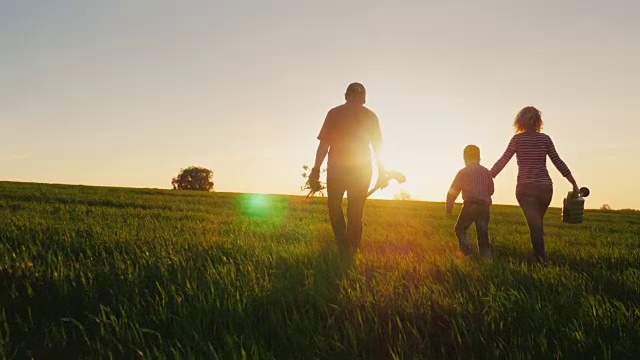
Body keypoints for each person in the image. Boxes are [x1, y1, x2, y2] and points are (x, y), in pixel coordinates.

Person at [490, 106, 580, 262]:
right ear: (538, 121)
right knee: (537, 223)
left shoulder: (517, 140)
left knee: (535, 225)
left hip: (526, 188)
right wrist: (574, 183)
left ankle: (540, 260)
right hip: (545, 188)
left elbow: (503, 160)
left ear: (520, 121)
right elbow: (558, 162)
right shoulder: (545, 139)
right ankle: (540, 258)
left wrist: (487, 177)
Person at [308, 82, 384, 251]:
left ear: (346, 96)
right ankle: (353, 248)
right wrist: (382, 171)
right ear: (363, 98)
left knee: (334, 206)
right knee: (356, 210)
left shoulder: (334, 113)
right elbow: (377, 147)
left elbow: (324, 145)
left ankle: (342, 243)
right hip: (362, 170)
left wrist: (315, 170)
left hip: (337, 168)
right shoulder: (371, 116)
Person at [446, 145, 494, 257]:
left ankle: (466, 253)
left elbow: (453, 191)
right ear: (479, 158)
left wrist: (449, 207)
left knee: (460, 229)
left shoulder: (463, 172)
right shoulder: (486, 172)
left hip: (470, 206)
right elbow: (491, 190)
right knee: (483, 234)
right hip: (484, 207)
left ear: (464, 158)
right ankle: (487, 258)